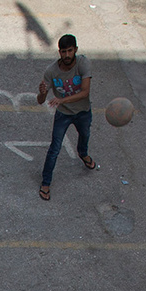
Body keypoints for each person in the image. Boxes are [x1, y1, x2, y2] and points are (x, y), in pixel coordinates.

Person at [37, 33, 95, 200]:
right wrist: (42, 93)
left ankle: (83, 154)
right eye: (63, 52)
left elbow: (85, 92)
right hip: (63, 114)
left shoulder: (83, 63)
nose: (67, 55)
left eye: (70, 51)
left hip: (83, 111)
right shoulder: (51, 71)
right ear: (59, 52)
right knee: (55, 148)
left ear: (75, 49)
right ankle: (46, 183)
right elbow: (40, 100)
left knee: (85, 135)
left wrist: (61, 100)